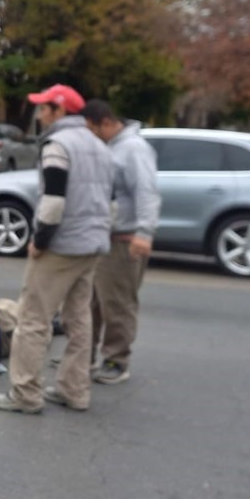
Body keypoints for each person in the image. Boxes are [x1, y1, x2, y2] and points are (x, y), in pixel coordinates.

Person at [0, 84, 113, 415]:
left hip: (63, 244)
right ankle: (75, 390)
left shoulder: (58, 144)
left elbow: (54, 201)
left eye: (44, 108)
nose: (40, 114)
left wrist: (40, 240)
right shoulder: (99, 146)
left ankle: (26, 394)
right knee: (79, 316)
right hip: (93, 243)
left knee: (33, 318)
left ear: (60, 111)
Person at [81, 100, 160, 385]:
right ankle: (84, 356)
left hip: (123, 239)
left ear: (104, 123)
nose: (89, 135)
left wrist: (143, 233)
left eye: (91, 128)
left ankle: (117, 359)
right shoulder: (112, 146)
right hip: (103, 236)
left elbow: (146, 192)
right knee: (92, 302)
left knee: (117, 303)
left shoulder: (133, 148)